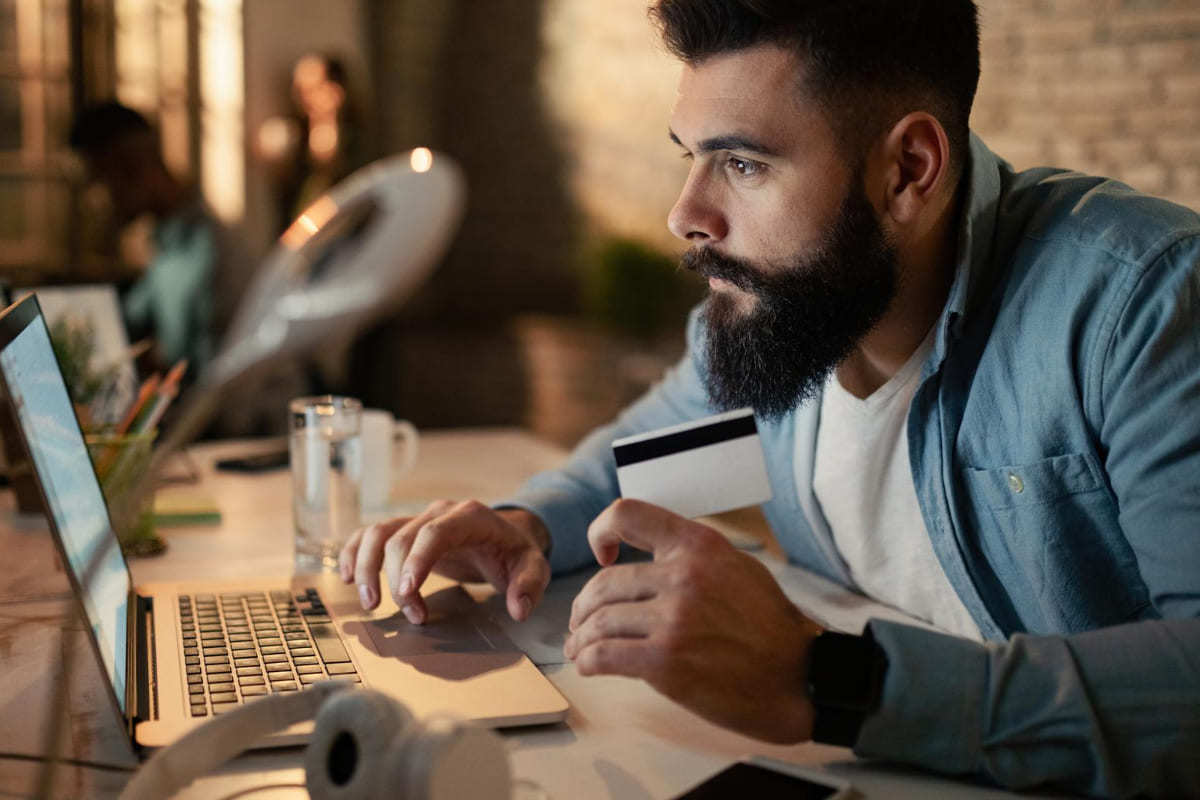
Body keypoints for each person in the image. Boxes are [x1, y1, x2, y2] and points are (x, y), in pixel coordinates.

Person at [341, 1, 1200, 796]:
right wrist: (521, 527)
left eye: (743, 163)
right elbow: (631, 476)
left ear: (909, 170)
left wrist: (829, 682)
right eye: (693, 157)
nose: (685, 214)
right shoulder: (792, 330)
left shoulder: (1137, 307)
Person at [69, 101, 250, 378]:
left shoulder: (204, 251)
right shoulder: (167, 242)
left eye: (100, 182)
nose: (97, 202)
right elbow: (129, 316)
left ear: (132, 167)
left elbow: (211, 385)